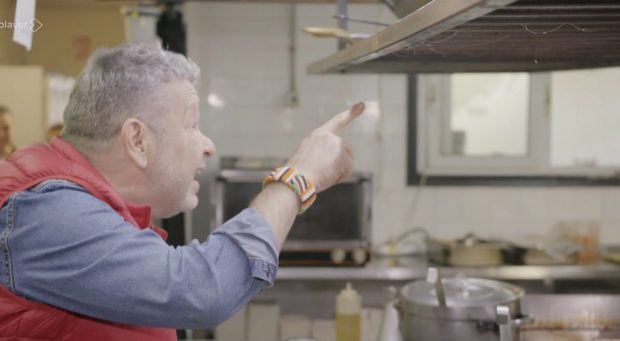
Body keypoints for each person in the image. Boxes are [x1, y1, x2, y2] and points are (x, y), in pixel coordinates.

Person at [0, 43, 364, 340]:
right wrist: (297, 178)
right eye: (191, 125)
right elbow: (201, 289)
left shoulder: (85, 204)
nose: (208, 145)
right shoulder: (45, 210)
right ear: (137, 140)